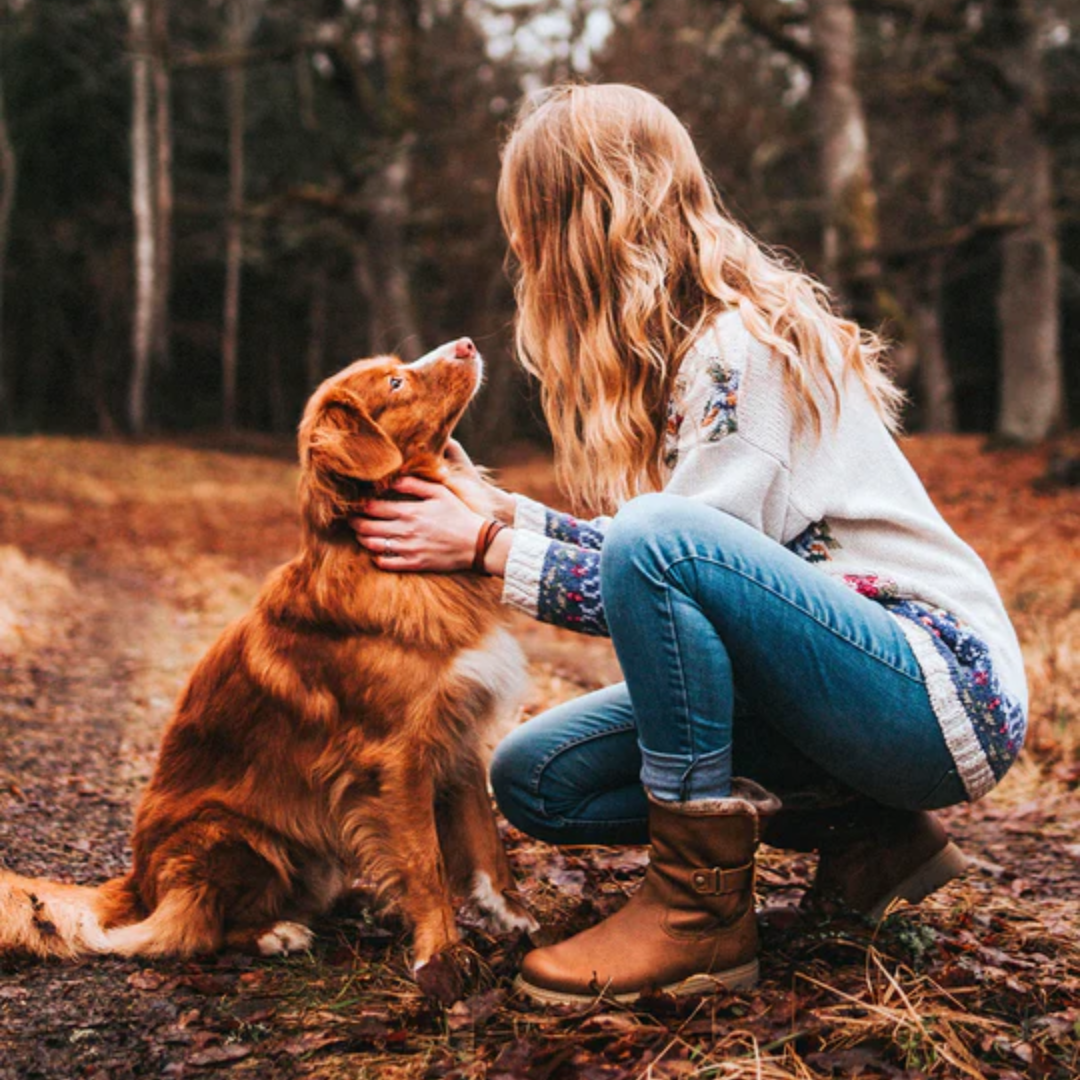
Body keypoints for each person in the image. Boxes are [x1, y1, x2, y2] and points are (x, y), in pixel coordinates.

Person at [350, 83, 1028, 1006]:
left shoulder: (735, 351)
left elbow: (663, 566)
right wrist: (497, 514)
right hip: (849, 689)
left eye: (530, 228)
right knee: (536, 777)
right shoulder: (688, 357)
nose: (521, 255)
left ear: (587, 222)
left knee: (654, 537)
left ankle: (697, 913)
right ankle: (873, 837)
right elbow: (672, 564)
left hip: (933, 686)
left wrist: (484, 547)